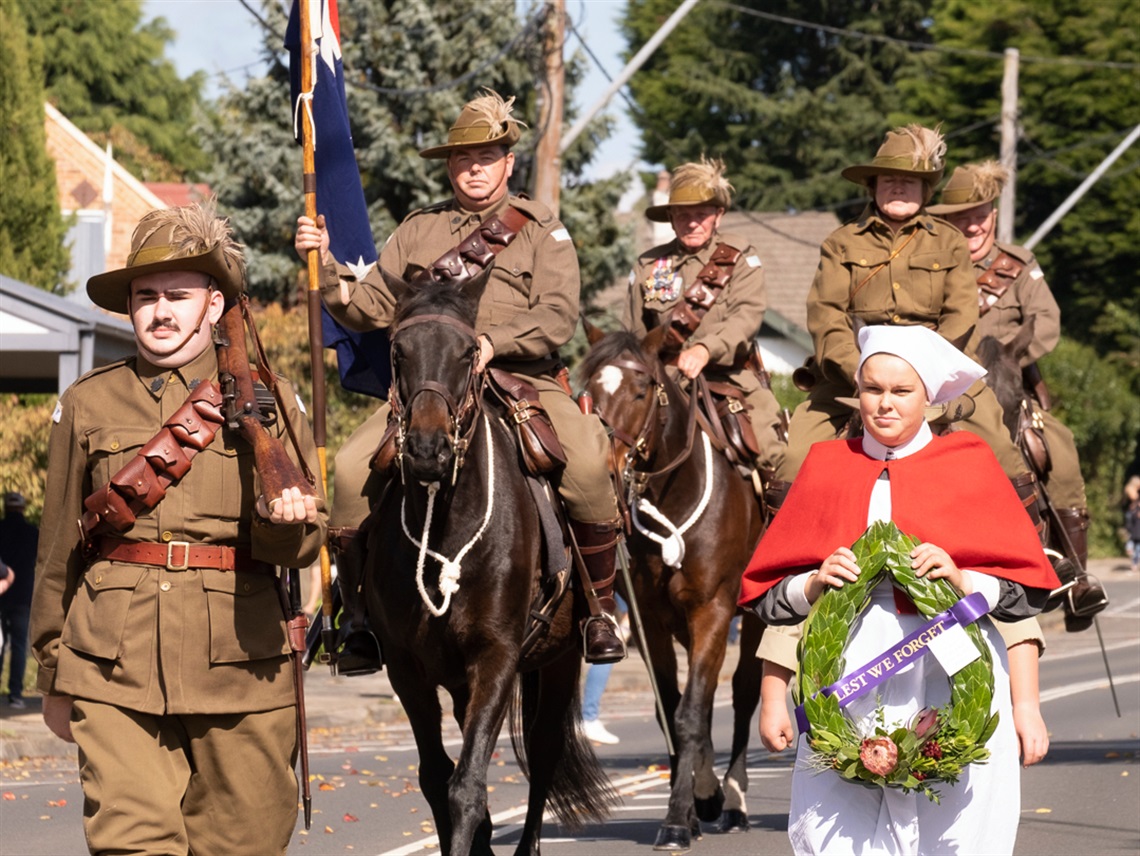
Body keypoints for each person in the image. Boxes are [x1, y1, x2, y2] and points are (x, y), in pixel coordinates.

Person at [30, 202, 327, 855]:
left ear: (214, 306)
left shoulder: (268, 401)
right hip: (112, 664)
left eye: (176, 296)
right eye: (145, 297)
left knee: (244, 843)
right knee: (130, 843)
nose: (159, 311)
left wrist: (284, 524)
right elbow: (58, 549)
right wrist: (53, 670)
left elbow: (308, 537)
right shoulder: (87, 403)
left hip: (240, 663)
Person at [295, 89, 625, 665]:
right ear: (450, 165)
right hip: (431, 383)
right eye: (464, 158)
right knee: (348, 477)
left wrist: (494, 343)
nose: (475, 168)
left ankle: (599, 611)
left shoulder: (542, 229)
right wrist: (323, 269)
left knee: (591, 469)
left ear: (508, 164)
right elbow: (369, 305)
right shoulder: (419, 231)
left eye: (487, 157)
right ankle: (359, 619)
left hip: (525, 380)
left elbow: (557, 316)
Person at [741, 324, 1058, 855]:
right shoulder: (824, 466)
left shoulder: (970, 464)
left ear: (929, 395)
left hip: (952, 666)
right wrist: (813, 582)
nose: (884, 405)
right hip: (845, 669)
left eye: (901, 391)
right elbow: (769, 598)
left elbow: (1026, 593)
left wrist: (964, 578)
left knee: (958, 826)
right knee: (836, 828)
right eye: (872, 389)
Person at [778, 125, 1030, 500]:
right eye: (889, 179)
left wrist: (924, 372)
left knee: (1002, 455)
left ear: (926, 190)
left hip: (939, 376)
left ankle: (1035, 552)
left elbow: (961, 314)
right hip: (854, 374)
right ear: (873, 186)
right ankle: (784, 554)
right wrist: (862, 372)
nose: (898, 187)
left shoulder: (950, 241)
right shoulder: (840, 242)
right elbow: (826, 315)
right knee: (795, 458)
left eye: (910, 181)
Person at [929, 160, 1107, 628]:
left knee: (1059, 450)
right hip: (946, 385)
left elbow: (1046, 321)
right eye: (962, 215)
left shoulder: (1019, 264)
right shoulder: (931, 263)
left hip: (1009, 383)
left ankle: (1076, 579)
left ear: (992, 213)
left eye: (980, 213)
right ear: (948, 218)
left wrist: (1011, 358)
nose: (972, 224)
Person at [622, 157, 785, 475]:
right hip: (664, 385)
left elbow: (746, 316)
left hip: (729, 379)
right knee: (616, 454)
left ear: (718, 216)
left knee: (774, 456)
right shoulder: (648, 266)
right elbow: (633, 335)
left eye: (701, 214)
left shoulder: (739, 257)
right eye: (683, 215)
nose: (692, 222)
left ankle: (780, 520)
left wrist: (706, 348)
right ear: (671, 218)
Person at [0, 492, 37, 708]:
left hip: (2, 593)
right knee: (19, 645)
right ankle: (15, 693)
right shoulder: (33, 533)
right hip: (22, 595)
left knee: (0, 644)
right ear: (23, 509)